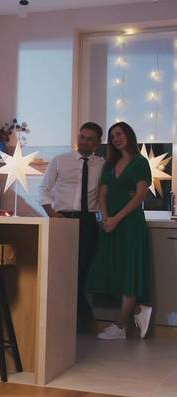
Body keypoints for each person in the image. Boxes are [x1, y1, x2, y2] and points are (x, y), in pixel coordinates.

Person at [87, 122, 153, 340]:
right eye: (112, 136)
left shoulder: (141, 162)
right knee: (110, 270)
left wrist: (116, 218)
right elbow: (102, 195)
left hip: (130, 224)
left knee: (129, 271)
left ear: (129, 136)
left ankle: (121, 325)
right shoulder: (109, 164)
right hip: (111, 224)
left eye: (120, 134)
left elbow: (139, 196)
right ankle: (138, 310)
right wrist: (106, 218)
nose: (116, 138)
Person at [39, 122, 104, 332]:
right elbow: (44, 188)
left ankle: (75, 321)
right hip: (62, 218)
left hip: (89, 221)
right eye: (82, 137)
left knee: (82, 271)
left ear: (97, 142)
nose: (84, 141)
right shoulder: (60, 160)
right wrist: (51, 213)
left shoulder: (102, 165)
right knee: (64, 271)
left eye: (89, 138)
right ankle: (83, 321)